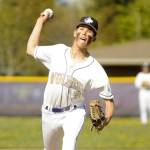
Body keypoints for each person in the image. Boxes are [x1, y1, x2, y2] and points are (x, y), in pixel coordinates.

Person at [27, 9, 114, 150]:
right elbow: (31, 49)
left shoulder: (96, 69)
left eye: (90, 31)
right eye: (82, 28)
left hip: (74, 113)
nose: (85, 32)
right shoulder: (58, 51)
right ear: (75, 32)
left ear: (94, 38)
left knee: (69, 143)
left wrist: (105, 121)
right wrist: (40, 21)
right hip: (48, 113)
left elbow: (109, 101)